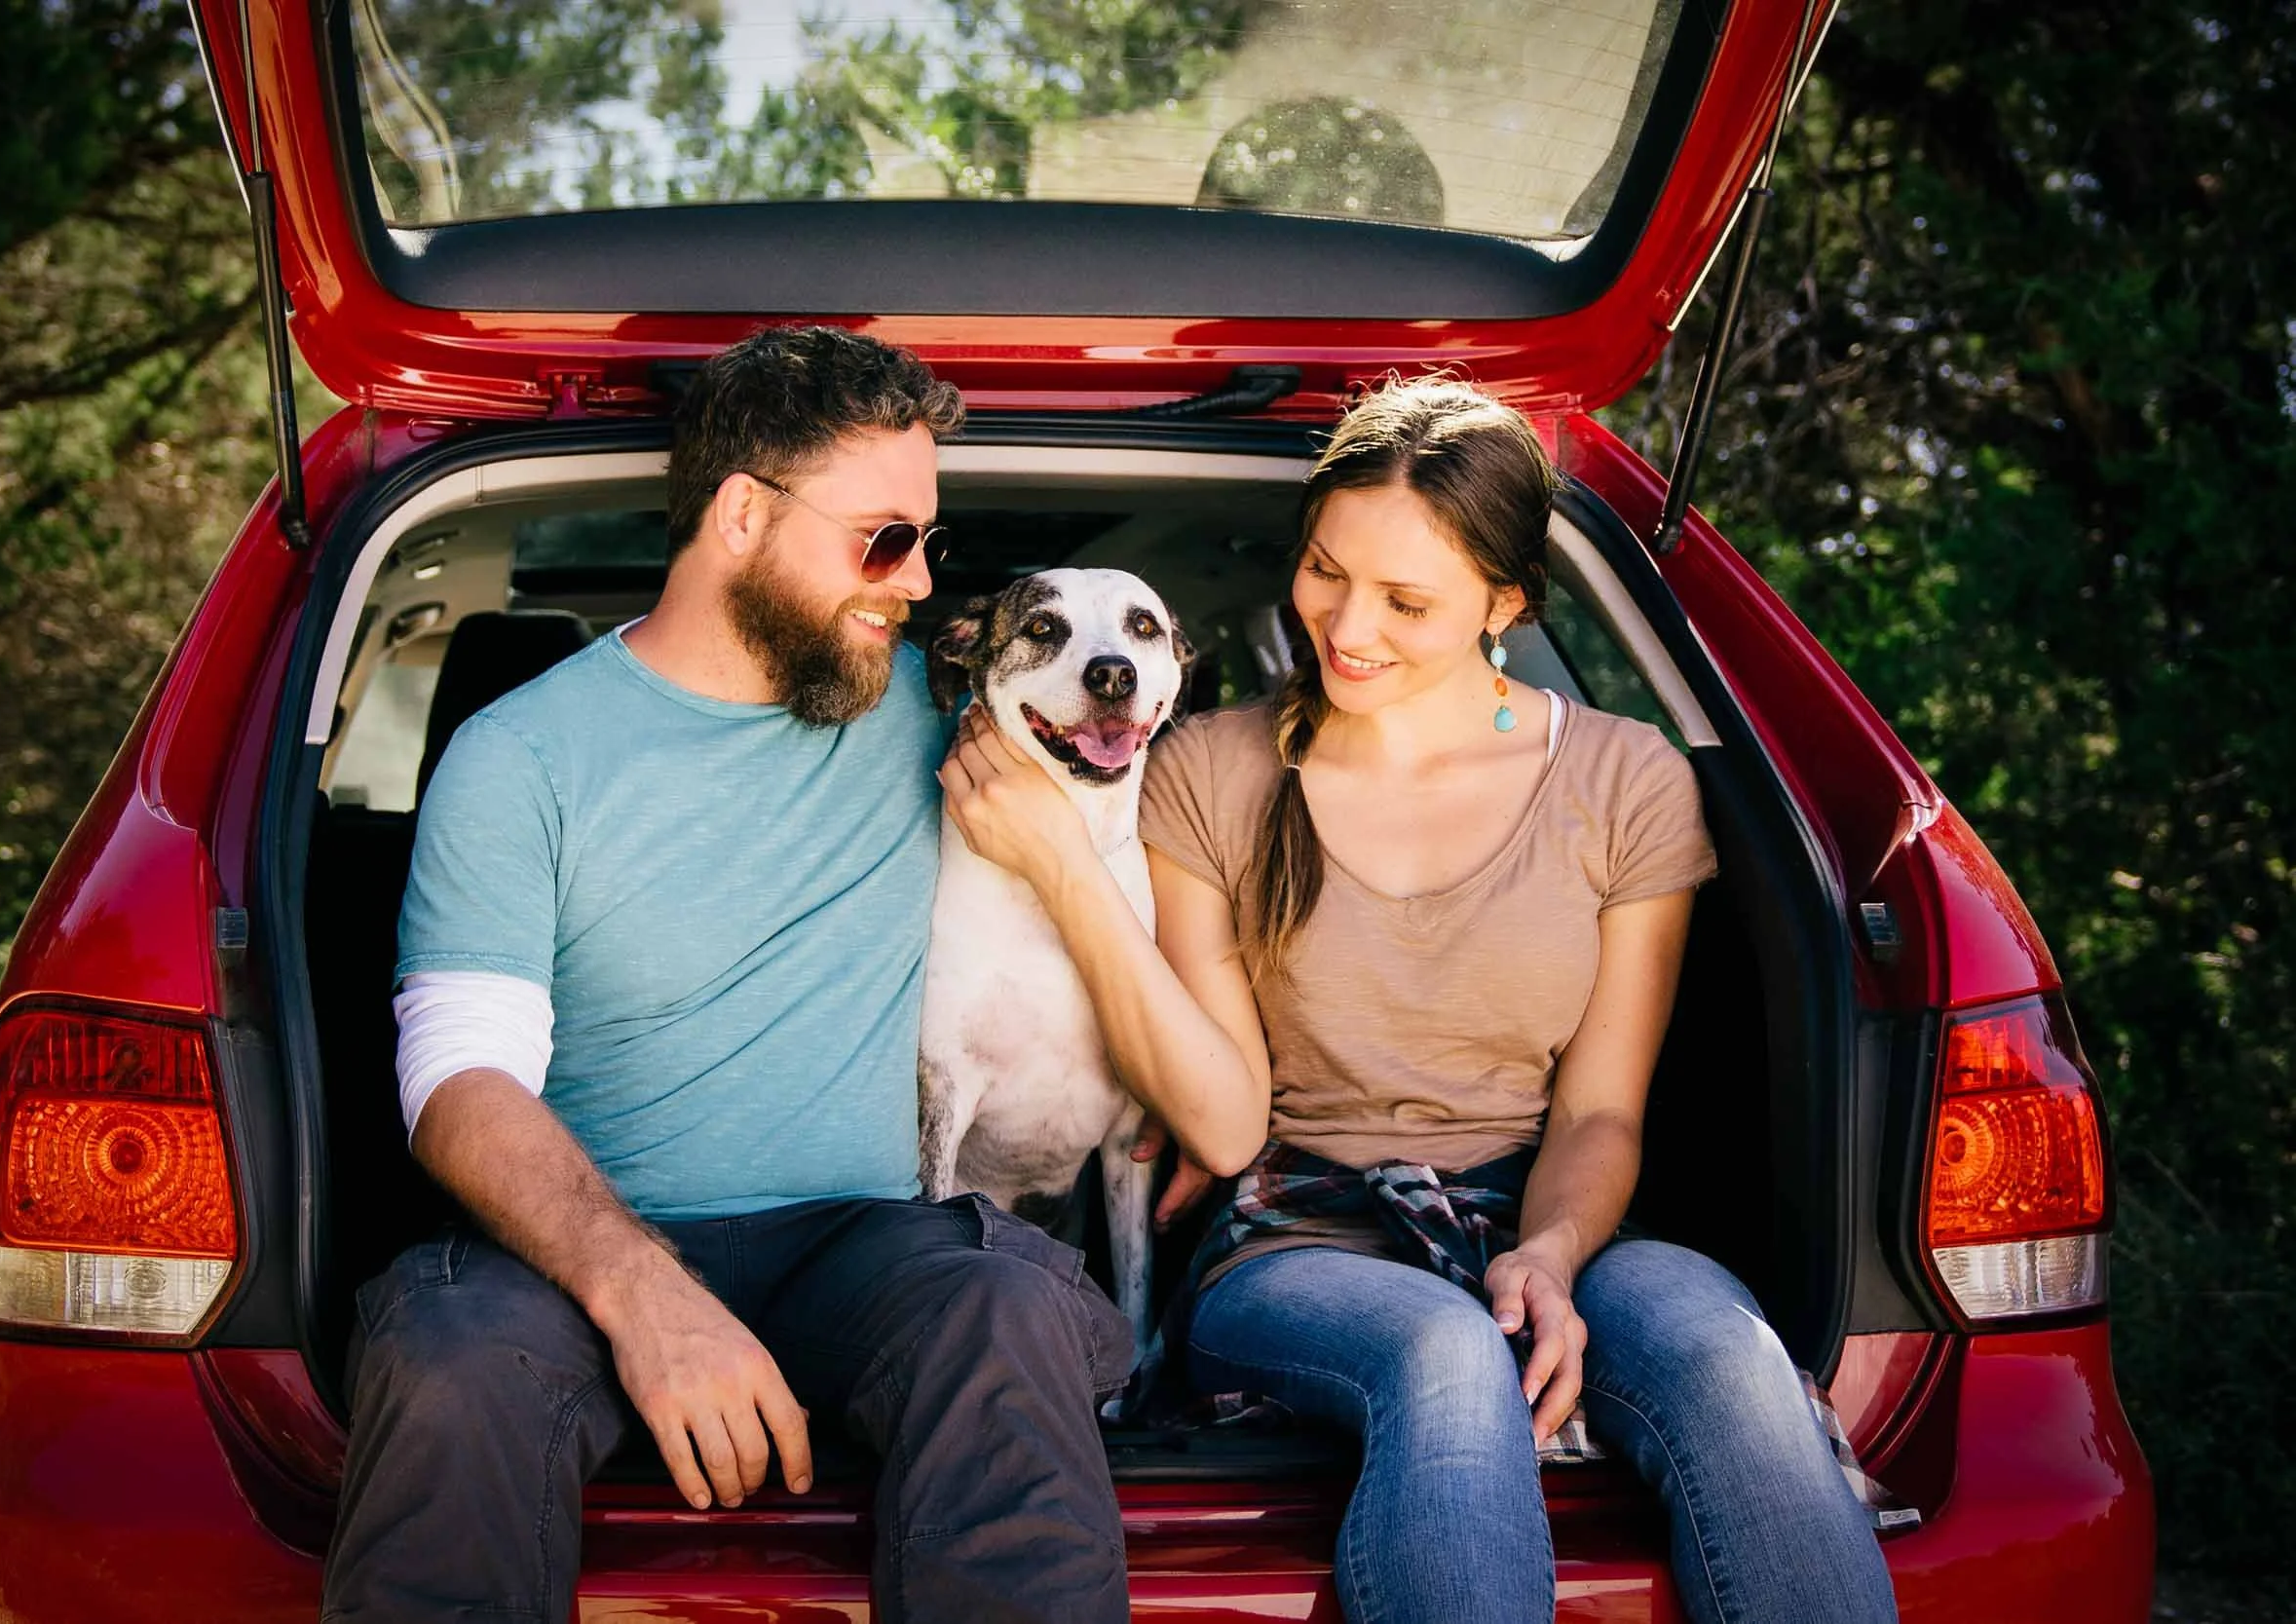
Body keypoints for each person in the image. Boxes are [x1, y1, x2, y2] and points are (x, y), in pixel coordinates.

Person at [936, 376, 1901, 1624]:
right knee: (1443, 1349)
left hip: (1550, 1211)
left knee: (1727, 1352)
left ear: (1504, 602)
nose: (1347, 626)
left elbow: (1600, 1113)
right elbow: (1223, 1122)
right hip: (1301, 1237)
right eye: (1325, 571)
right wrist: (1063, 865)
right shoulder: (1208, 769)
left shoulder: (1625, 780)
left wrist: (1550, 1254)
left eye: (1405, 600)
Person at [322, 326, 1135, 1624]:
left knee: (1004, 1305)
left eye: (925, 542)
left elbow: (1175, 785)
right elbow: (459, 1080)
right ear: (744, 515)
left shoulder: (953, 716)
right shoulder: (519, 756)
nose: (920, 581)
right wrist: (643, 1293)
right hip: (576, 1261)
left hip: (862, 1251)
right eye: (884, 540)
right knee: (446, 1354)